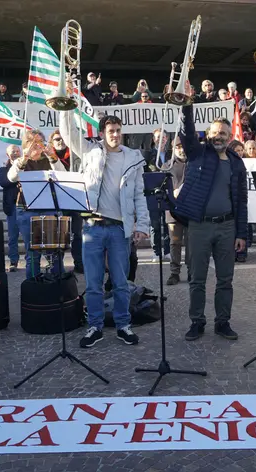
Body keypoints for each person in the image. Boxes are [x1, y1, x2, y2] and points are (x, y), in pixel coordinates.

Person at [59, 90, 150, 348]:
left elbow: (139, 195)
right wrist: (66, 107)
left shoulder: (133, 157)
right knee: (93, 283)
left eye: (118, 130)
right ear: (102, 133)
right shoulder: (90, 151)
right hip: (92, 227)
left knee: (121, 283)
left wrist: (142, 225)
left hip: (120, 228)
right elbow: (68, 135)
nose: (115, 135)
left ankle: (123, 325)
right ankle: (95, 326)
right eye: (110, 131)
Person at [174, 83, 247, 343]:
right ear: (209, 134)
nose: (219, 137)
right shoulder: (198, 153)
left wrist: (241, 233)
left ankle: (222, 322)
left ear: (230, 137)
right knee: (197, 279)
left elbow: (241, 201)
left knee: (225, 279)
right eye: (215, 133)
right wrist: (187, 105)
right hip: (199, 226)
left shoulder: (237, 163)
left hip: (227, 227)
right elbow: (186, 133)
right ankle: (197, 322)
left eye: (224, 133)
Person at [7, 129, 66, 278]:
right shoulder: (20, 161)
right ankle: (33, 290)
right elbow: (11, 177)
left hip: (48, 208)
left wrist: (52, 156)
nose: (38, 146)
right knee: (32, 253)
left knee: (54, 251)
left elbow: (63, 174)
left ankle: (57, 288)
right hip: (26, 209)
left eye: (40, 142)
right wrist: (25, 157)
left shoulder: (49, 160)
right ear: (27, 144)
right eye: (34, 142)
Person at [48, 130, 84, 273]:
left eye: (62, 138)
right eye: (57, 139)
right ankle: (58, 267)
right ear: (52, 142)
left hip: (74, 200)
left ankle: (79, 264)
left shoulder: (75, 155)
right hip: (56, 202)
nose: (60, 141)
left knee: (77, 235)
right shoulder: (48, 157)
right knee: (59, 236)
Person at [143, 128, 172, 263]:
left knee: (167, 224)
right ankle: (156, 252)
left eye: (163, 137)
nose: (161, 139)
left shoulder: (171, 155)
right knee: (155, 225)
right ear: (154, 139)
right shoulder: (148, 155)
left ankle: (167, 251)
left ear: (166, 139)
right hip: (153, 195)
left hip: (168, 195)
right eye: (158, 137)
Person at [166, 138, 189, 286]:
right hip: (173, 211)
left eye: (183, 146)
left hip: (190, 210)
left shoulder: (194, 163)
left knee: (192, 243)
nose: (181, 150)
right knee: (175, 243)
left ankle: (192, 271)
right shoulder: (167, 166)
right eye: (178, 147)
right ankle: (174, 272)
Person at [0, 144, 24, 272]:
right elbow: (4, 182)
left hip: (26, 205)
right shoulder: (4, 169)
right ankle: (14, 261)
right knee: (13, 236)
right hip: (12, 206)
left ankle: (33, 260)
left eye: (17, 151)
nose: (15, 153)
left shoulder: (26, 166)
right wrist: (15, 174)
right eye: (13, 151)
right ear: (8, 154)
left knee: (29, 235)